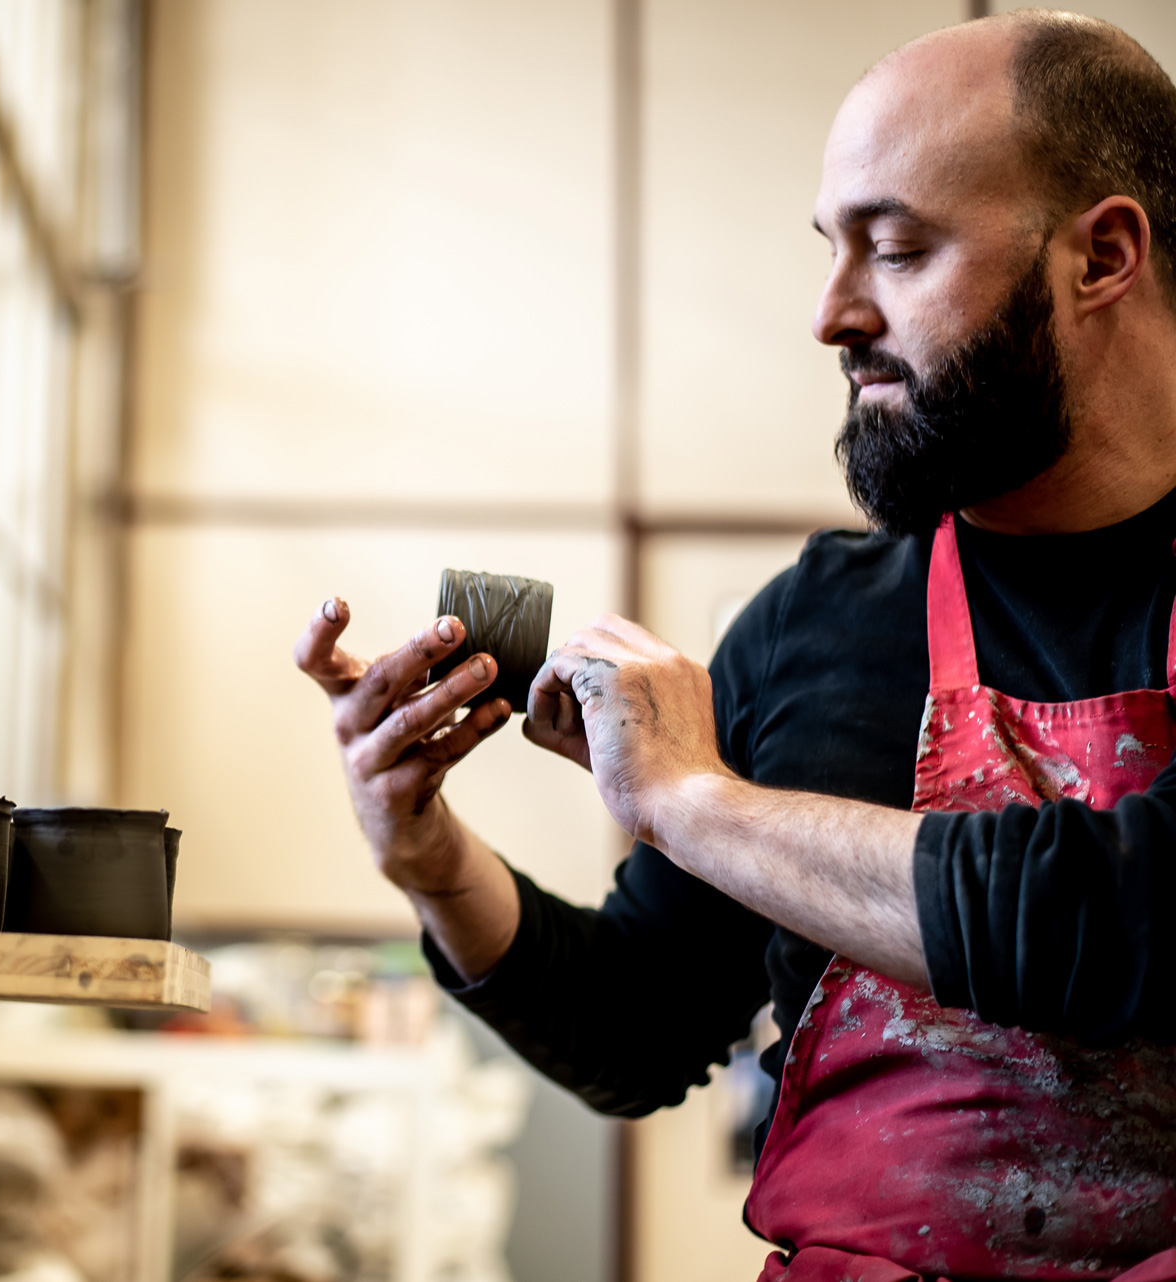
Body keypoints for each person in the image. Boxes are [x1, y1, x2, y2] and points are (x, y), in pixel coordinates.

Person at [294, 11, 1176, 1281]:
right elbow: (636, 1030)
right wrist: (429, 856)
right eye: (831, 252)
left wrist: (694, 801)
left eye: (898, 249)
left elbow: (1127, 917)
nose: (832, 315)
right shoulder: (819, 622)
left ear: (1101, 254)